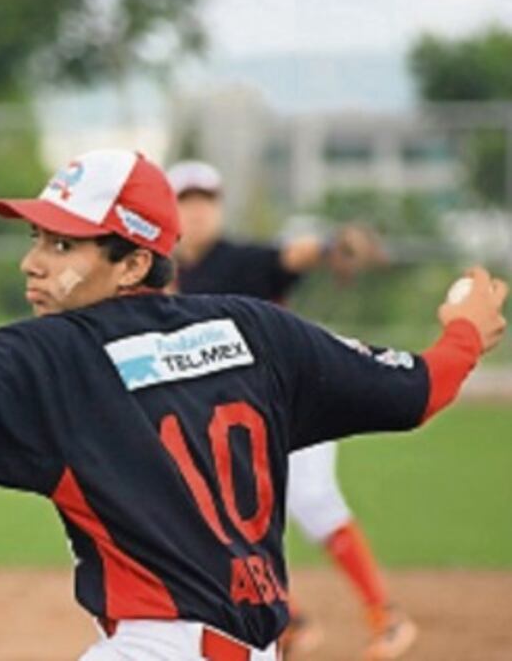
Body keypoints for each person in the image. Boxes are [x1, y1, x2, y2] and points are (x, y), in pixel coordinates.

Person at [0, 149, 506, 661]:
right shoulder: (259, 329)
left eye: (63, 244)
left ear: (134, 263)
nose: (32, 261)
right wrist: (466, 331)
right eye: (37, 237)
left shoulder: (61, 352)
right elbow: (422, 389)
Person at [165, 159, 408, 659]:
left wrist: (333, 245)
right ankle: (290, 619)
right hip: (231, 421)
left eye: (206, 201)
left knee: (314, 500)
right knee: (211, 512)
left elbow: (294, 255)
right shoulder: (162, 273)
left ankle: (387, 615)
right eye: (186, 201)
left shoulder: (242, 260)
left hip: (292, 403)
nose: (197, 212)